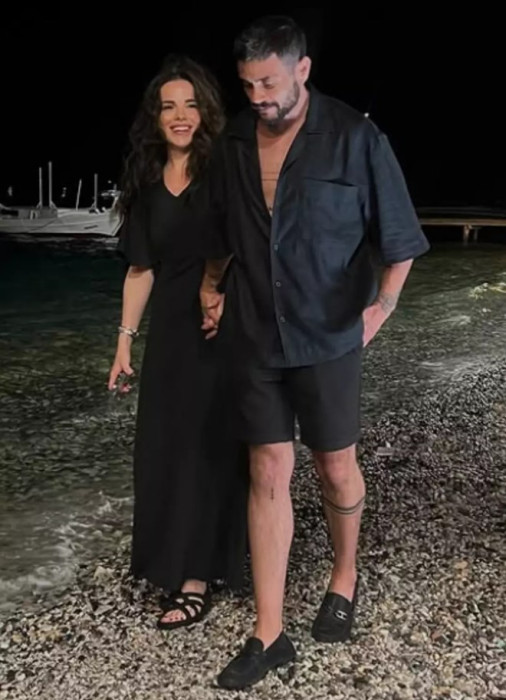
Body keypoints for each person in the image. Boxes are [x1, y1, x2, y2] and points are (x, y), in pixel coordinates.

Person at [200, 15, 430, 689]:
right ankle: (269, 633)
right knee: (269, 469)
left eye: (269, 83)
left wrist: (380, 309)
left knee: (334, 466)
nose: (258, 97)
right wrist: (211, 288)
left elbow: (401, 238)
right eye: (247, 85)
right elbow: (222, 232)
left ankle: (344, 576)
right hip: (254, 331)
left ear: (302, 69)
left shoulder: (357, 138)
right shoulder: (234, 140)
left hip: (329, 334)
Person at [108, 54, 248, 631]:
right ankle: (169, 560)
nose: (181, 115)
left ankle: (197, 577)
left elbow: (244, 243)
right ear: (156, 117)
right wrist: (124, 343)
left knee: (206, 448)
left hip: (219, 324)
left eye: (190, 105)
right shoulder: (146, 183)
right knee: (164, 449)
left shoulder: (223, 170)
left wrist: (222, 297)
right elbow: (140, 269)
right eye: (169, 107)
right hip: (168, 333)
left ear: (205, 112)